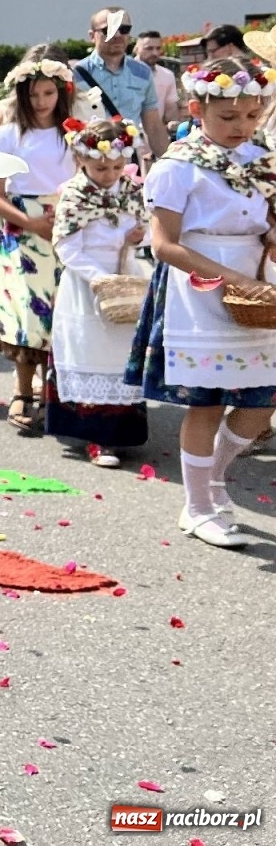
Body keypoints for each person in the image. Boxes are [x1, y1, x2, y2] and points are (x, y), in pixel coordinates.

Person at [126, 58, 276, 548]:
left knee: (262, 400)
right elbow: (164, 245)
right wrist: (235, 279)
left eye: (251, 116)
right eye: (228, 117)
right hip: (200, 288)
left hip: (257, 286)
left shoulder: (259, 159)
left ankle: (212, 478)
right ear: (197, 109)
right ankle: (196, 507)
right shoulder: (178, 166)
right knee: (207, 403)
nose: (242, 127)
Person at [0, 45, 79, 435]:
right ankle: (22, 390)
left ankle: (59, 392)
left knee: (63, 309)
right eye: (34, 94)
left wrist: (67, 214)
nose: (41, 101)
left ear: (62, 90)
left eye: (48, 93)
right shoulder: (9, 133)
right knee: (26, 310)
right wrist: (30, 222)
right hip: (20, 229)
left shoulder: (74, 132)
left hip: (66, 222)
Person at [46, 119, 149, 466]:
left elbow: (146, 229)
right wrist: (101, 279)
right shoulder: (75, 195)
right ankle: (95, 436)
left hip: (125, 281)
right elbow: (66, 247)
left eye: (117, 167)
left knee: (121, 355)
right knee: (89, 351)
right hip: (87, 283)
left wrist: (139, 238)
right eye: (101, 168)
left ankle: (122, 433)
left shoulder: (130, 190)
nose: (110, 175)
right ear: (82, 160)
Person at [72, 6, 169, 158]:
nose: (117, 34)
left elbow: (154, 127)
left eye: (123, 29)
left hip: (128, 160)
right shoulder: (75, 74)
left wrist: (168, 161)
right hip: (89, 159)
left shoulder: (143, 73)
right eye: (108, 30)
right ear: (92, 36)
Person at [133, 31, 180, 128]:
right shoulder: (125, 73)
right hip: (127, 131)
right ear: (137, 49)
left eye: (158, 48)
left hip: (155, 131)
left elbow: (171, 108)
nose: (154, 53)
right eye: (149, 48)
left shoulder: (167, 75)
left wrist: (173, 125)